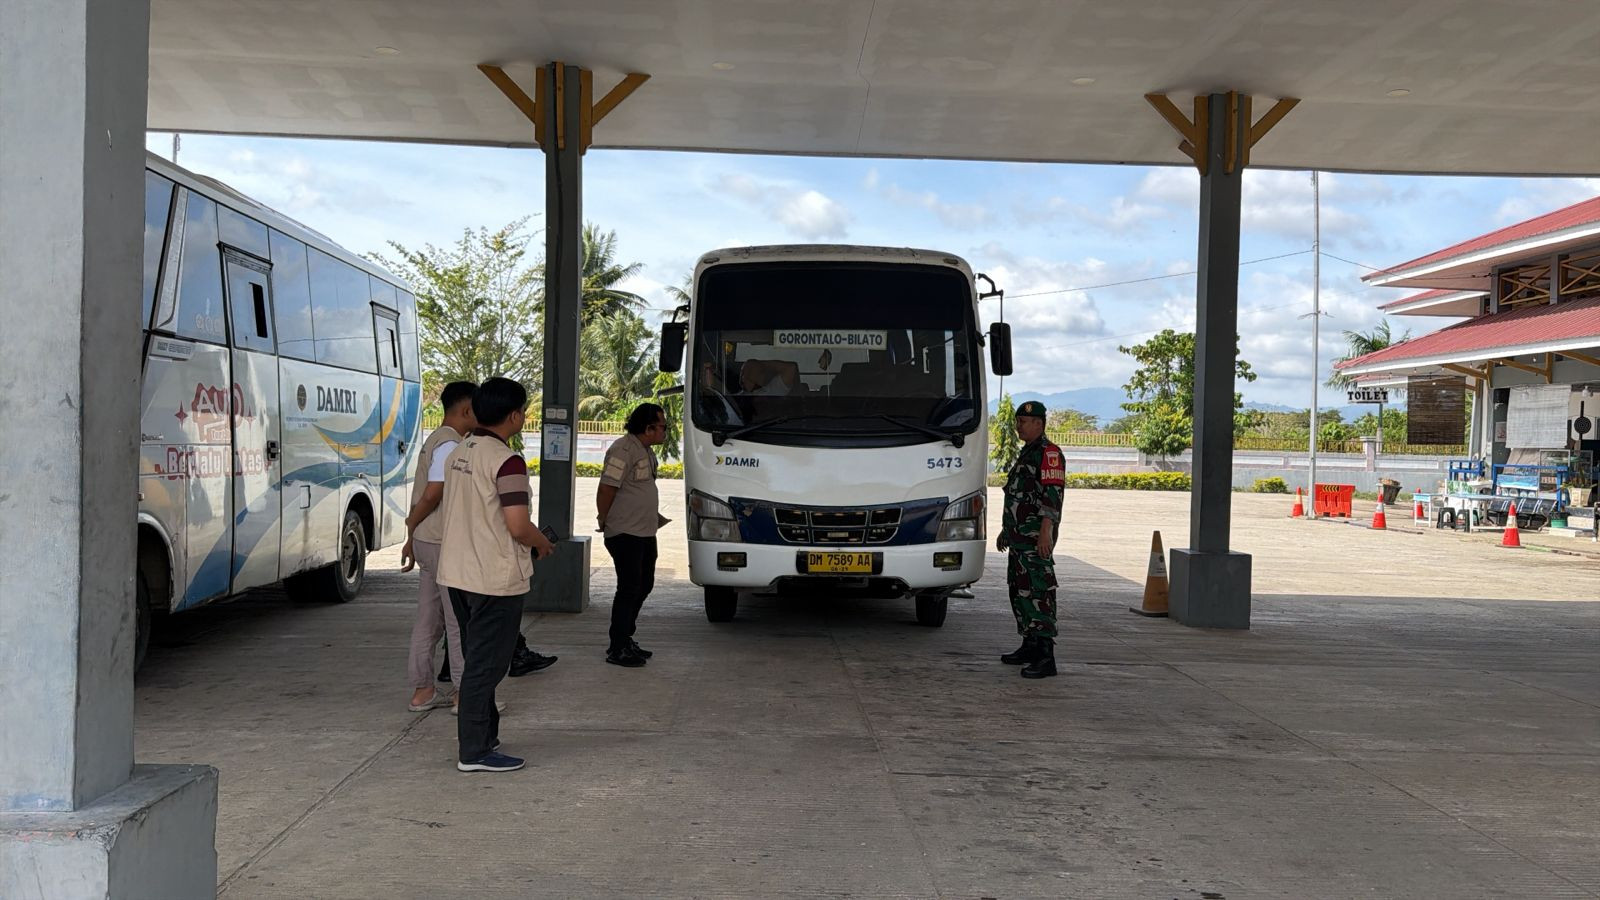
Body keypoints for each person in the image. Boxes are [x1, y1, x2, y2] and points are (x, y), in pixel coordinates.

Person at [436, 377, 556, 773]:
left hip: (457, 573)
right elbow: (518, 525)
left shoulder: (459, 451)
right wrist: (541, 542)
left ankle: (486, 737)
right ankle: (474, 752)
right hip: (492, 578)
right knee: (486, 666)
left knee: (477, 657)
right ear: (515, 416)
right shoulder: (507, 461)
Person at [400, 381, 476, 712]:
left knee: (428, 620)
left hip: (427, 542)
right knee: (458, 621)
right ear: (467, 410)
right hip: (443, 543)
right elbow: (433, 493)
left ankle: (423, 691)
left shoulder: (435, 440)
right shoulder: (450, 445)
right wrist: (411, 522)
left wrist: (413, 534)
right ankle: (462, 693)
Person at [596, 402, 669, 667]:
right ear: (648, 428)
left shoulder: (646, 451)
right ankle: (618, 646)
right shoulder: (623, 450)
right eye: (662, 427)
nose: (665, 432)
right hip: (625, 532)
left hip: (645, 530)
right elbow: (607, 488)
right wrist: (604, 519)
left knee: (644, 583)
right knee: (629, 588)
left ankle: (626, 637)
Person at [995, 400, 1065, 679]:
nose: (1018, 427)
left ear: (1039, 423)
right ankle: (1030, 645)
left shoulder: (1049, 453)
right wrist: (1006, 531)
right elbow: (1018, 496)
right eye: (1018, 422)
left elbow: (1052, 495)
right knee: (1019, 591)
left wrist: (1046, 531)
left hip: (1036, 540)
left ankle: (1046, 656)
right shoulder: (1028, 452)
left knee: (1038, 592)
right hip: (1019, 538)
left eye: (1023, 422)